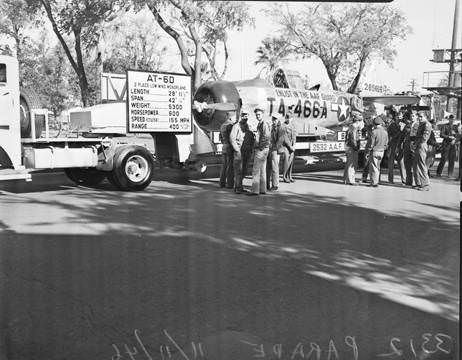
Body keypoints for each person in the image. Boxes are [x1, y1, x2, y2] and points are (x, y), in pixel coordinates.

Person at [247, 107, 271, 196]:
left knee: (255, 170)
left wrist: (260, 147)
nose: (257, 116)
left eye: (259, 114)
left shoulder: (264, 124)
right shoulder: (260, 124)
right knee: (262, 169)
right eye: (256, 115)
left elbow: (267, 137)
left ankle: (255, 190)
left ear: (263, 114)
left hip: (262, 149)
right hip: (264, 149)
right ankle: (262, 189)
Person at [266, 113, 287, 191]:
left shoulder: (281, 128)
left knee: (274, 167)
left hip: (276, 150)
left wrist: (274, 148)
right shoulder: (272, 127)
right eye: (273, 119)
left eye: (275, 119)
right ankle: (267, 184)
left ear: (278, 120)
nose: (274, 120)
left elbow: (280, 140)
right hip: (271, 149)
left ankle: (275, 185)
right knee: (268, 167)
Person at [412, 112, 432, 190]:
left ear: (425, 116)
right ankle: (419, 183)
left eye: (421, 116)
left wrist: (416, 144)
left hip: (422, 145)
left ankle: (425, 184)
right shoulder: (421, 124)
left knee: (421, 164)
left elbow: (424, 137)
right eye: (418, 117)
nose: (419, 118)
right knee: (416, 165)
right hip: (418, 145)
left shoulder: (427, 124)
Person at [229, 111, 248, 193]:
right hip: (239, 150)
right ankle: (237, 187)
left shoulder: (247, 126)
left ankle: (240, 186)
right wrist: (236, 149)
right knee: (238, 170)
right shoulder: (236, 126)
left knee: (244, 170)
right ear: (241, 116)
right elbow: (232, 138)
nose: (245, 117)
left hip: (246, 150)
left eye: (246, 116)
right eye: (243, 116)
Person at [368, 115, 388, 187]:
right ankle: (377, 180)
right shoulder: (385, 132)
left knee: (373, 167)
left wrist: (368, 151)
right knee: (378, 167)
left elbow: (371, 144)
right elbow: (386, 143)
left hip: (375, 151)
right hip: (382, 151)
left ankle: (374, 182)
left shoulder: (374, 132)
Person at [387, 110, 406, 184]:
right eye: (397, 116)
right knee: (390, 163)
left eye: (400, 116)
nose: (399, 117)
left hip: (400, 145)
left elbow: (405, 135)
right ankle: (390, 179)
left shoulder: (404, 125)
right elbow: (389, 135)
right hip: (392, 145)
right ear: (395, 117)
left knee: (401, 163)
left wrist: (402, 130)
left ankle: (404, 179)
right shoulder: (392, 125)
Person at [343, 111, 362, 185]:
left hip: (348, 146)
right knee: (352, 164)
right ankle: (351, 180)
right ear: (357, 121)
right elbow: (353, 139)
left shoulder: (350, 127)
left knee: (348, 163)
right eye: (360, 121)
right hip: (352, 147)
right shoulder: (354, 128)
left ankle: (345, 179)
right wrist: (356, 147)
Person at [402, 110, 419, 186]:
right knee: (407, 163)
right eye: (411, 116)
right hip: (406, 145)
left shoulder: (419, 125)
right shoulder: (407, 124)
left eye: (413, 116)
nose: (412, 117)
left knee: (415, 164)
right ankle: (409, 180)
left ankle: (416, 182)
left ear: (416, 117)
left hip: (414, 146)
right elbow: (402, 134)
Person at [219, 111, 235, 188]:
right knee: (230, 166)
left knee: (224, 165)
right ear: (231, 116)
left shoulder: (222, 125)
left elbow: (220, 138)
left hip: (224, 146)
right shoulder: (230, 125)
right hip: (229, 147)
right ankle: (230, 184)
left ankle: (221, 183)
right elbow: (232, 138)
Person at [282, 107, 297, 182]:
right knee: (286, 161)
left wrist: (294, 145)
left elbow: (294, 136)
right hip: (285, 146)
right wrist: (290, 146)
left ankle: (289, 176)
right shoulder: (283, 126)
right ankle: (284, 176)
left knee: (291, 161)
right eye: (287, 118)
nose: (289, 120)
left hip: (291, 146)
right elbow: (285, 138)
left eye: (290, 118)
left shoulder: (292, 125)